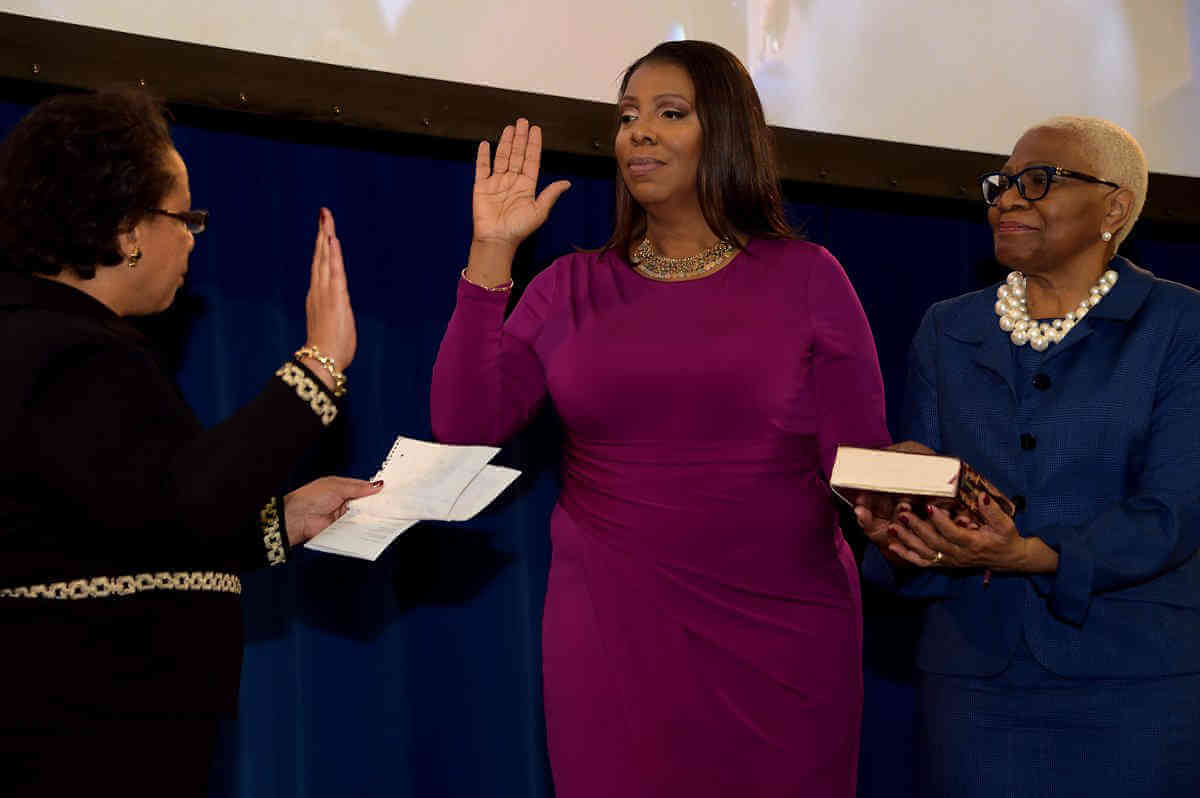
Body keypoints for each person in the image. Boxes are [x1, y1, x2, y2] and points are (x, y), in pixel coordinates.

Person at [431, 40, 888, 797]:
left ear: (728, 134)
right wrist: (491, 253)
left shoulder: (808, 277)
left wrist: (927, 497)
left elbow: (861, 461)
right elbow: (463, 424)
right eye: (627, 117)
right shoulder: (569, 285)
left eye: (669, 114)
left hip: (784, 636)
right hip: (612, 635)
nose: (637, 132)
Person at [0, 90, 381, 795]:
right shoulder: (63, 350)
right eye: (185, 217)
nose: (192, 238)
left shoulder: (62, 341)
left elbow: (137, 525)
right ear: (126, 231)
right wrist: (320, 364)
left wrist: (283, 521)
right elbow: (190, 500)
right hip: (81, 734)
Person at [857, 116, 1200, 797]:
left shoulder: (1179, 326)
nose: (1006, 200)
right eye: (1002, 183)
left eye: (1037, 182)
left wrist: (1032, 554)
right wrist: (904, 531)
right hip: (974, 682)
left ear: (1114, 207)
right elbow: (934, 485)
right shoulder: (947, 327)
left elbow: (1175, 510)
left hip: (1134, 682)